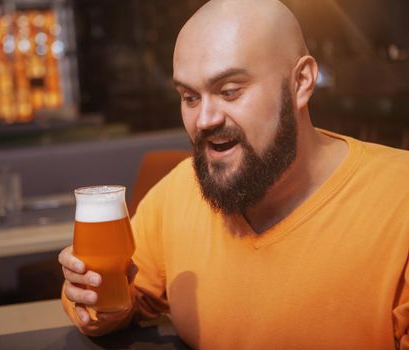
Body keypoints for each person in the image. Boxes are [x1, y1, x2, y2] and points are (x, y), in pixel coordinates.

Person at [59, 0, 409, 348]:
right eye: (190, 97)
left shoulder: (398, 200)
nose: (205, 119)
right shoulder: (180, 193)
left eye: (229, 91)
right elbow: (116, 305)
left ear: (301, 82)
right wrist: (94, 298)